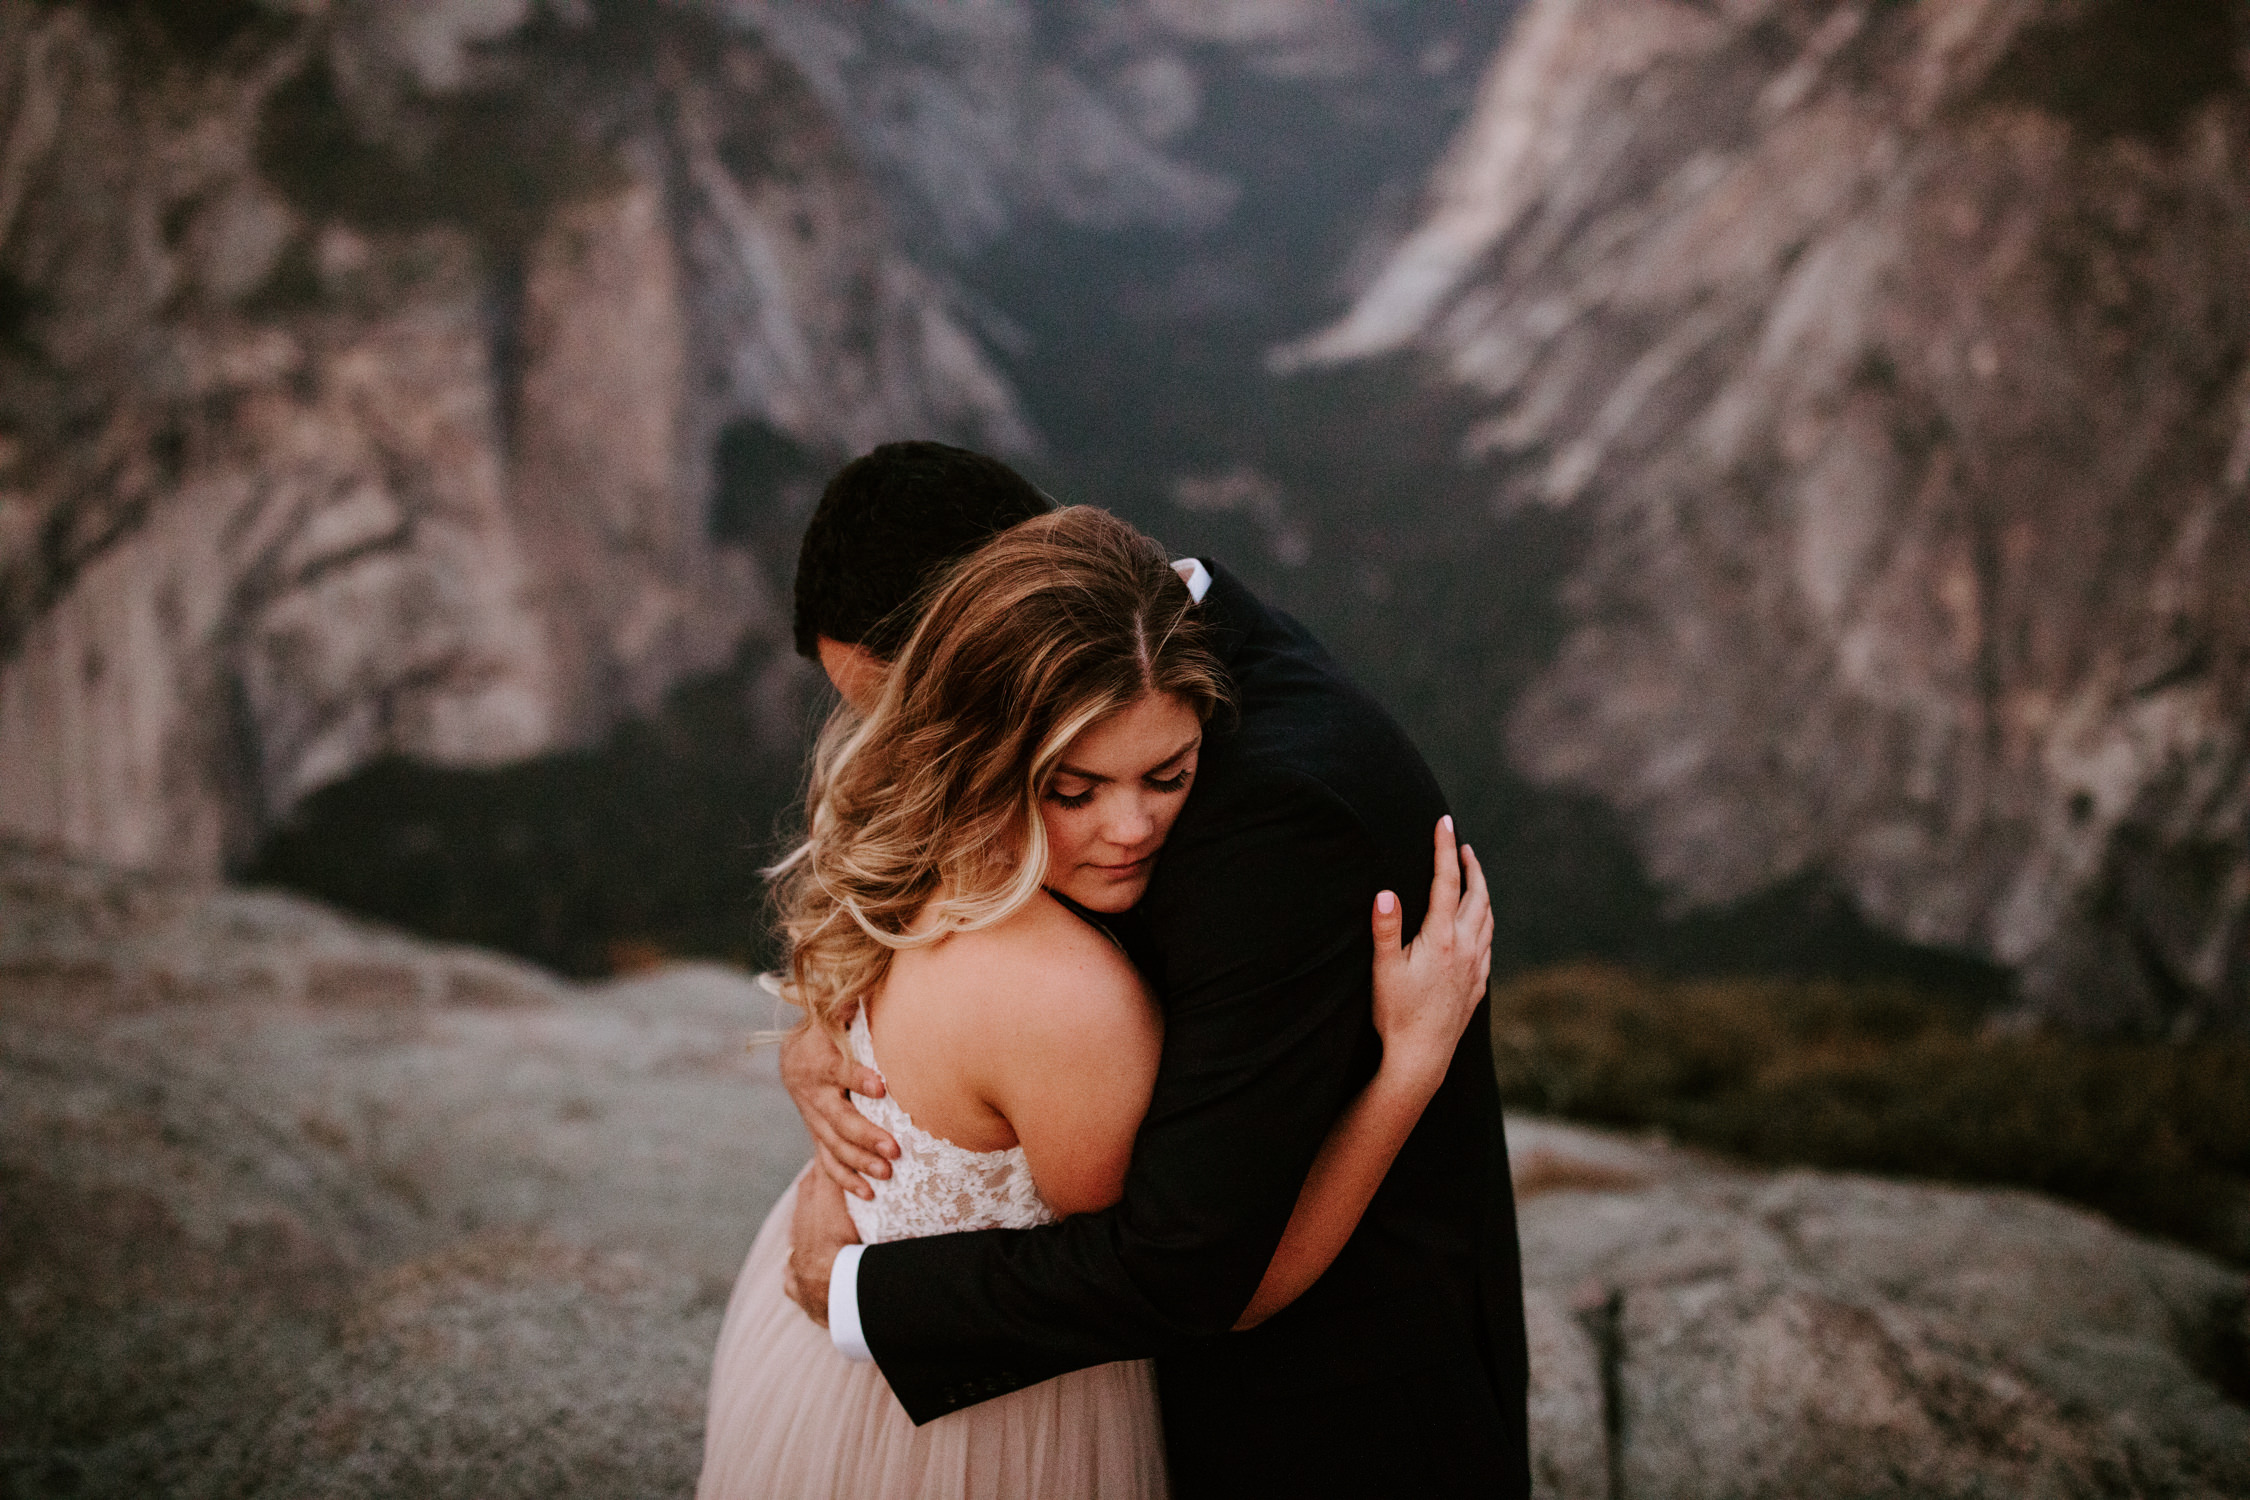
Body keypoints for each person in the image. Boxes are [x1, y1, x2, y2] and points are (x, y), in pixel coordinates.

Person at [698, 499, 1495, 1497]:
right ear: (987, 763)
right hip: (980, 1423)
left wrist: (817, 1045)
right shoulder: (1071, 996)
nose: (1130, 827)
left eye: (1169, 775)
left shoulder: (927, 868)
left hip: (831, 1366)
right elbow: (1208, 1281)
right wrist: (1410, 1066)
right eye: (1074, 791)